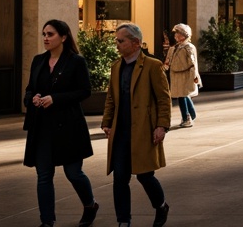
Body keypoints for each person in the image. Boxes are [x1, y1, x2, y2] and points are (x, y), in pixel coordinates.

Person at [23, 19, 99, 227]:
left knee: (73, 173)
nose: (46, 38)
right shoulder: (38, 60)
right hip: (42, 127)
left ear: (63, 37)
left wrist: (55, 99)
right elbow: (29, 89)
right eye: (44, 34)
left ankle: (90, 204)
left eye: (50, 34)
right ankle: (47, 221)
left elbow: (85, 91)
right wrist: (33, 98)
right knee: (44, 176)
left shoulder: (76, 61)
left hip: (68, 127)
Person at [102, 22, 171, 227]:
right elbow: (111, 99)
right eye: (116, 40)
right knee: (120, 179)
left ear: (136, 43)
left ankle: (161, 206)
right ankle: (123, 221)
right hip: (120, 132)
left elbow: (163, 99)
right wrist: (107, 122)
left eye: (121, 41)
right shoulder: (116, 67)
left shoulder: (152, 65)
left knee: (144, 175)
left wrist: (162, 126)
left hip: (143, 129)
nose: (117, 44)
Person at [163, 24, 200, 128]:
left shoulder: (189, 47)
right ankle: (191, 114)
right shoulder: (174, 48)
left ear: (184, 35)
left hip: (185, 75)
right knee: (182, 95)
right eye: (176, 33)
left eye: (178, 33)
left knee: (182, 95)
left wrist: (195, 76)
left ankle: (187, 117)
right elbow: (168, 61)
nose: (176, 35)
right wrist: (164, 68)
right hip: (175, 75)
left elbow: (193, 63)